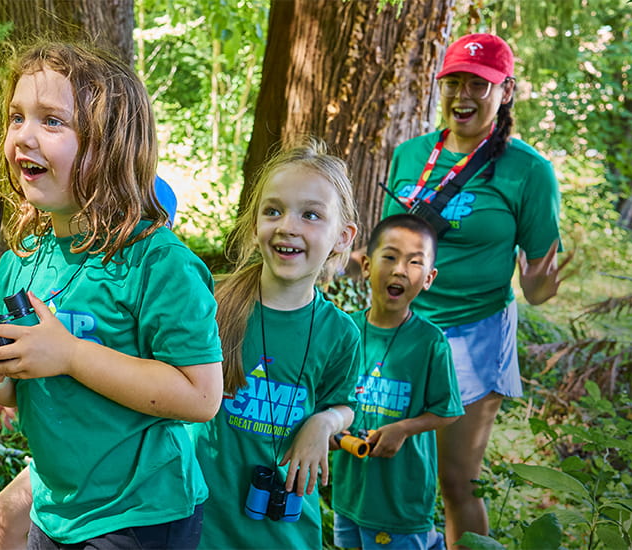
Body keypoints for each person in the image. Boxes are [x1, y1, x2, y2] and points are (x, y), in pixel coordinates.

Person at [0, 41, 223, 550]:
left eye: (52, 121)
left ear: (112, 145)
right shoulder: (20, 261)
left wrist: (72, 355)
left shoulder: (158, 265)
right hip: (57, 507)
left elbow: (201, 396)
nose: (24, 136)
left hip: (140, 512)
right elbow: (26, 394)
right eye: (17, 117)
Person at [377, 33, 573, 547]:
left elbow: (536, 286)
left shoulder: (529, 171)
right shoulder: (410, 154)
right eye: (455, 81)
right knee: (390, 467)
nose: (464, 94)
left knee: (456, 480)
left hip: (473, 333)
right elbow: (389, 245)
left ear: (505, 91)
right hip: (400, 331)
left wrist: (537, 285)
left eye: (479, 85)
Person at [0, 174, 183, 550]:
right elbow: (28, 373)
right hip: (60, 489)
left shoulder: (155, 270)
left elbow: (193, 391)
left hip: (132, 492)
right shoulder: (34, 261)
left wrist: (71, 355)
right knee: (2, 515)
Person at [192, 139, 364, 549]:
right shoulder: (209, 304)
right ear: (254, 224)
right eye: (273, 211)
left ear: (342, 236)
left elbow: (344, 405)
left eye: (310, 215)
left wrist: (324, 422)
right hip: (201, 527)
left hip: (284, 532)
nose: (288, 226)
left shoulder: (340, 333)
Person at [330, 214, 463, 550]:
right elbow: (328, 398)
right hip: (350, 494)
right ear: (365, 265)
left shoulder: (429, 342)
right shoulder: (345, 332)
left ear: (429, 278)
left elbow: (448, 411)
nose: (400, 270)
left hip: (401, 501)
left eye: (414, 262)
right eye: (389, 257)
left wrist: (403, 429)